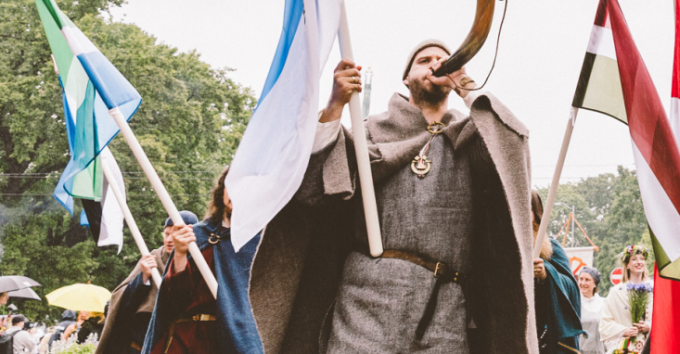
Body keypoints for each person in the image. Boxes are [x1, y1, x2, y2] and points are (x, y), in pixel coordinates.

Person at [247, 39, 537, 354]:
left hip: (446, 305)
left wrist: (465, 84)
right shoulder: (369, 132)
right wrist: (334, 106)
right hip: (367, 295)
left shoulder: (471, 139)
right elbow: (315, 186)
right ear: (406, 77)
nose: (436, 64)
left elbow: (511, 142)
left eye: (445, 61)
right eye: (425, 60)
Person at [139, 169, 262, 354]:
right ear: (222, 191)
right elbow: (173, 302)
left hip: (232, 343)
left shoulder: (260, 242)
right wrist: (180, 253)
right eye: (232, 185)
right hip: (185, 339)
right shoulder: (196, 235)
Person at [98, 211, 200, 354]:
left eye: (176, 233)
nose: (170, 239)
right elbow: (120, 300)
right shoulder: (153, 258)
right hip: (141, 345)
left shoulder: (201, 263)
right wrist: (143, 277)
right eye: (166, 234)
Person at [531, 191, 583, 354]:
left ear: (536, 213)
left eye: (527, 208)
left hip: (545, 339)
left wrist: (547, 273)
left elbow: (572, 288)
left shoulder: (552, 248)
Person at [599, 245, 653, 353]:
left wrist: (650, 326)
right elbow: (604, 325)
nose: (639, 262)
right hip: (625, 348)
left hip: (650, 347)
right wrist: (624, 330)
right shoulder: (616, 292)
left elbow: (665, 319)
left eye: (642, 259)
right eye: (634, 259)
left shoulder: (654, 289)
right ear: (627, 265)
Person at [574, 267, 607, 354]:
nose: (583, 283)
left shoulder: (604, 303)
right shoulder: (574, 303)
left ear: (595, 284)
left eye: (587, 280)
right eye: (581, 279)